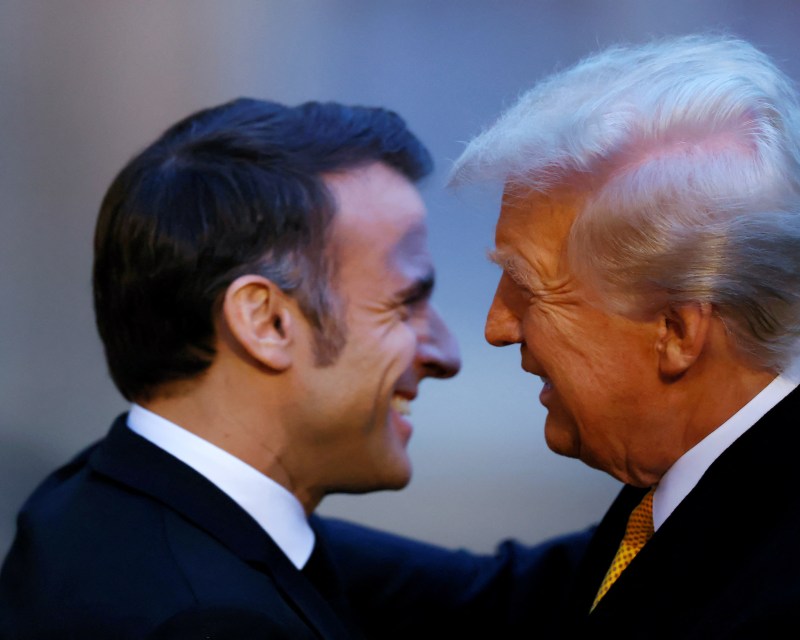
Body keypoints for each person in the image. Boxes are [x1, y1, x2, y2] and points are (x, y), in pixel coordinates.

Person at [325, 34, 800, 638]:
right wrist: (247, 510)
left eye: (528, 286)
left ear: (677, 330)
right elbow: (527, 604)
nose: (496, 326)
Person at [0, 98, 464, 638]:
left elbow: (509, 592)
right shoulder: (210, 619)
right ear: (267, 322)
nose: (445, 355)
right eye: (404, 303)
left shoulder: (105, 501)